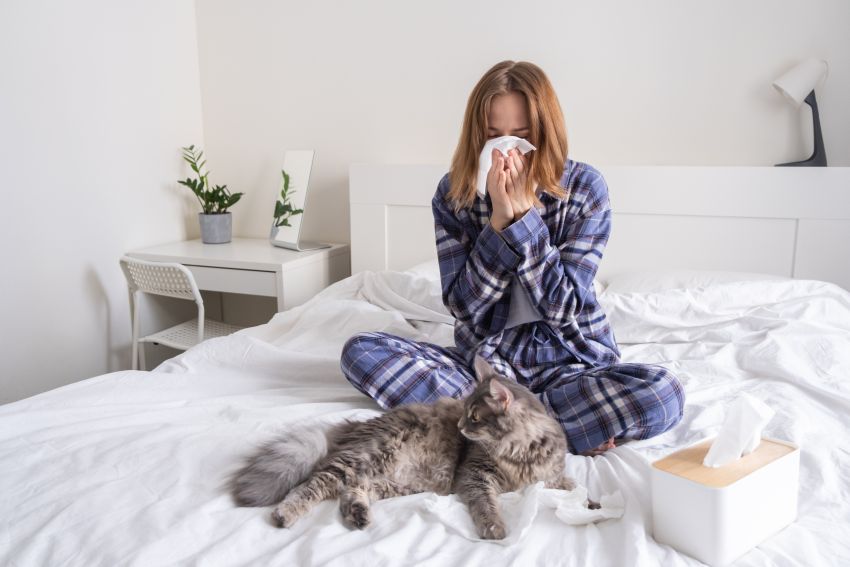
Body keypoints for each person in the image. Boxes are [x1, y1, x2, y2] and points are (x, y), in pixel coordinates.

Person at [340, 60, 684, 456]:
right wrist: (498, 225)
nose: (505, 150)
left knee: (663, 394)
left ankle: (488, 435)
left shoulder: (584, 188)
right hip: (485, 371)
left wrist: (525, 222)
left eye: (520, 135)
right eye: (492, 136)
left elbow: (564, 307)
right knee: (362, 351)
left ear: (544, 133)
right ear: (476, 136)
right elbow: (465, 307)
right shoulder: (455, 194)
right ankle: (542, 434)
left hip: (571, 362)